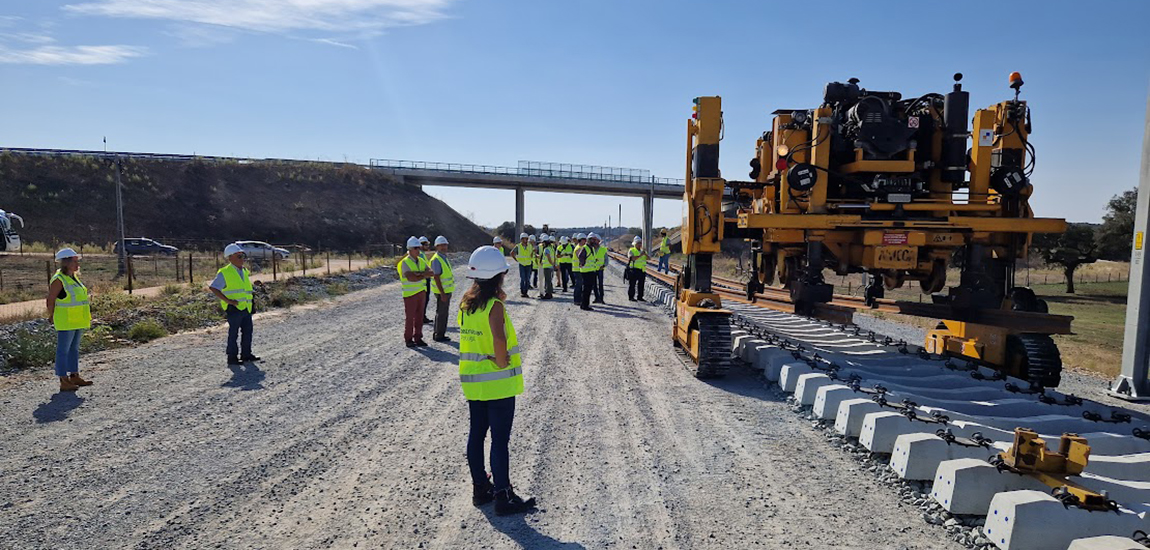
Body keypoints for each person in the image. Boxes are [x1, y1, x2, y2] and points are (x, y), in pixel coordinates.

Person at [457, 245, 538, 515]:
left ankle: (481, 489)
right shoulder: (495, 306)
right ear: (498, 276)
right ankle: (504, 495)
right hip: (497, 383)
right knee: (499, 440)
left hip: (474, 382)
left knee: (476, 434)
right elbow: (499, 340)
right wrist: (502, 361)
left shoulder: (466, 304)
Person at [46, 248, 92, 392]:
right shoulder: (59, 279)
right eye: (75, 261)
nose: (77, 264)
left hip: (77, 320)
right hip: (66, 320)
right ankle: (63, 380)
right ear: (66, 262)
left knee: (74, 349)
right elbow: (50, 300)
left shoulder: (73, 277)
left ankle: (74, 375)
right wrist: (51, 315)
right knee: (63, 351)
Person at [209, 243, 261, 365]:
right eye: (239, 256)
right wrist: (229, 301)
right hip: (234, 308)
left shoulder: (244, 271)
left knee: (247, 332)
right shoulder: (225, 272)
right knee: (233, 333)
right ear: (230, 257)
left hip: (246, 307)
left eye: (243, 256)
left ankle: (246, 354)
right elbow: (214, 288)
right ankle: (232, 357)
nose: (242, 259)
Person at [398, 236, 434, 347]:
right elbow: (410, 277)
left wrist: (418, 273)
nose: (418, 250)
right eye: (415, 248)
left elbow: (431, 272)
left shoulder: (422, 260)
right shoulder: (405, 262)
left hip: (421, 293)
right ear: (409, 249)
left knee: (419, 317)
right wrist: (423, 274)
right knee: (410, 318)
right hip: (410, 294)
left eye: (419, 248)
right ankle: (408, 339)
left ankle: (418, 338)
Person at [430, 235, 455, 342]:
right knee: (442, 313)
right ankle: (439, 335)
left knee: (441, 312)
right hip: (442, 292)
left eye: (445, 245)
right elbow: (436, 277)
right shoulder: (436, 259)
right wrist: (443, 293)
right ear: (437, 247)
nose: (444, 247)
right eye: (441, 245)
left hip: (446, 290)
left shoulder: (443, 257)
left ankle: (438, 333)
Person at [575, 234, 596, 311]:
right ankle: (584, 305)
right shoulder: (585, 248)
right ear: (589, 240)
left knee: (588, 289)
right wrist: (582, 263)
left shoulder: (591, 248)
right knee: (586, 289)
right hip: (586, 271)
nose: (594, 241)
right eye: (593, 240)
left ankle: (585, 304)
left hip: (590, 271)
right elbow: (580, 256)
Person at [627, 236, 649, 302]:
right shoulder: (631, 250)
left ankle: (640, 297)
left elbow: (649, 258)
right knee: (632, 284)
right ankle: (631, 297)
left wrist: (645, 254)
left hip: (642, 270)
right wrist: (640, 255)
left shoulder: (643, 251)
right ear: (635, 244)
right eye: (638, 243)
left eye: (640, 243)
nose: (640, 244)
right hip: (634, 270)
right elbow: (632, 258)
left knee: (641, 285)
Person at [587, 233, 607, 304]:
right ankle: (596, 298)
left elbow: (606, 260)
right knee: (594, 284)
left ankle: (601, 298)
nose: (596, 242)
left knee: (600, 284)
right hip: (593, 269)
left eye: (597, 241)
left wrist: (604, 265)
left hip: (600, 270)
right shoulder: (590, 249)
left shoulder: (603, 249)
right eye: (595, 240)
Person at [513, 233, 533, 297]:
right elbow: (512, 253)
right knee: (523, 278)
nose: (525, 240)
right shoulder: (518, 246)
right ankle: (522, 291)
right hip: (522, 264)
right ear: (521, 239)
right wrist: (516, 259)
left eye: (526, 239)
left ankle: (526, 292)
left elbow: (531, 254)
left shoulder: (530, 246)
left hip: (528, 264)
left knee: (527, 279)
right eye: (524, 239)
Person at [420, 236, 434, 324]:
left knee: (425, 299)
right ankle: (422, 316)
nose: (427, 246)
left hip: (425, 278)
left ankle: (422, 316)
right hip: (424, 280)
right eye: (426, 244)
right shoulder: (420, 255)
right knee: (424, 299)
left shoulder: (422, 254)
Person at [571, 234, 587, 305]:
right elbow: (580, 258)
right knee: (578, 285)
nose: (585, 241)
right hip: (577, 269)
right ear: (581, 240)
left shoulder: (581, 247)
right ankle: (577, 300)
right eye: (584, 239)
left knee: (580, 285)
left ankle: (579, 299)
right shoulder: (578, 248)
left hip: (579, 269)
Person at [538, 234, 555, 300]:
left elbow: (548, 257)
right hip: (550, 266)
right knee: (549, 280)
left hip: (547, 267)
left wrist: (550, 263)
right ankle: (549, 293)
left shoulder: (546, 249)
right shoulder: (551, 248)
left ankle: (548, 294)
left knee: (547, 281)